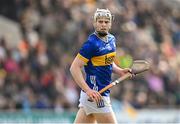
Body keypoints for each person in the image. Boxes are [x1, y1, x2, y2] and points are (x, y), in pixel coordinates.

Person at [70, 8, 132, 123]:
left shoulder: (112, 40)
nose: (103, 24)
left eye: (106, 22)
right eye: (100, 21)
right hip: (97, 96)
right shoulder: (91, 44)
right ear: (94, 23)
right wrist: (88, 90)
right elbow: (74, 68)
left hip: (92, 96)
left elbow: (107, 62)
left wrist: (120, 71)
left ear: (110, 24)